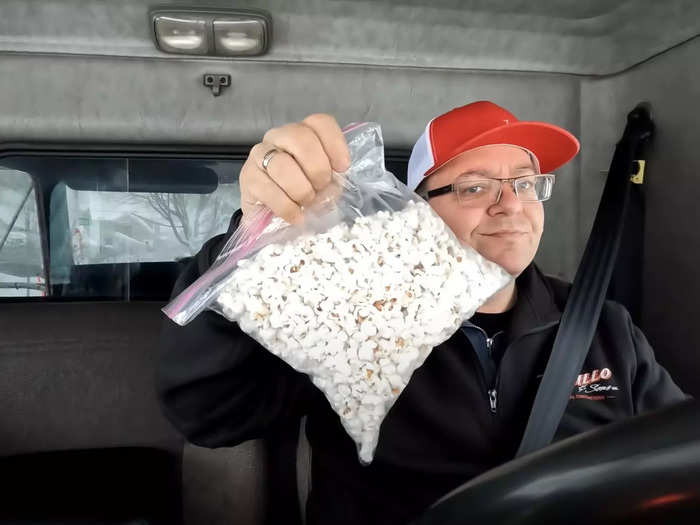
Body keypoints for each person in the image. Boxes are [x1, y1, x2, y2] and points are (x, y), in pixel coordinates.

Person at [157, 101, 689, 525]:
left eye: (525, 183)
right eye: (475, 186)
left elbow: (678, 451)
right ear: (418, 212)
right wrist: (252, 242)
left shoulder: (602, 324)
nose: (511, 205)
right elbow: (208, 413)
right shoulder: (353, 317)